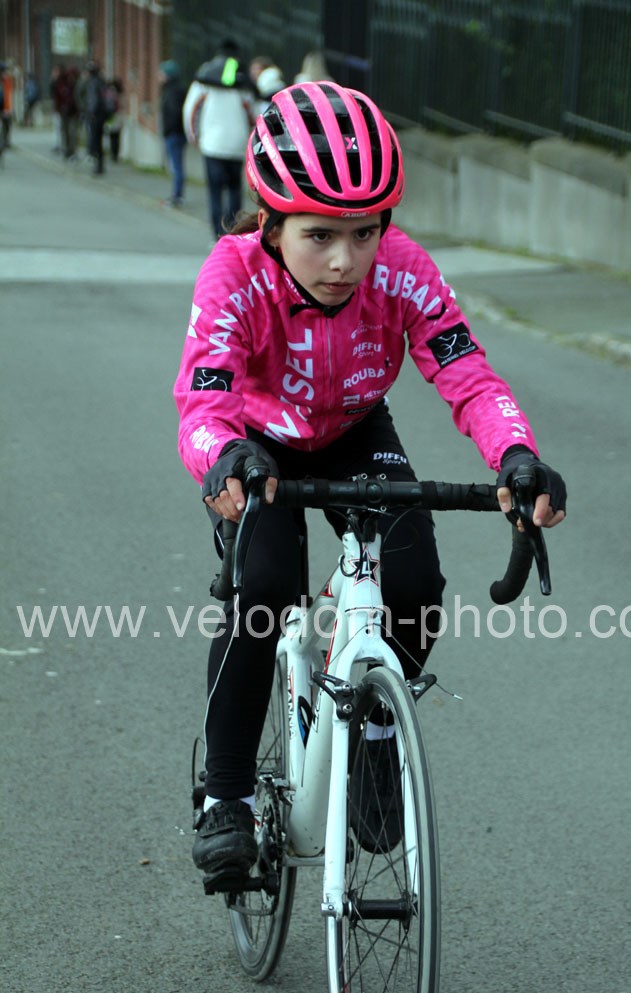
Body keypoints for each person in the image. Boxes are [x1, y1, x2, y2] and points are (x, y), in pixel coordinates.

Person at [174, 82, 566, 890]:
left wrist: (516, 455)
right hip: (259, 444)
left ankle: (376, 728)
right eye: (318, 235)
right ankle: (227, 794)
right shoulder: (233, 272)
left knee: (416, 583)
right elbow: (203, 404)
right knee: (263, 587)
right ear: (271, 224)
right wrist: (224, 458)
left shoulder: (401, 268)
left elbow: (467, 374)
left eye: (363, 233)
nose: (344, 260)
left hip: (355, 429)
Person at [183, 38, 256, 239]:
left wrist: (193, 136)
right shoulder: (242, 79)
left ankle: (217, 234)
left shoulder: (205, 76)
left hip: (212, 144)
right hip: (237, 145)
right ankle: (234, 233)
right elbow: (253, 113)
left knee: (215, 191)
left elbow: (190, 109)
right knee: (234, 190)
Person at [158, 60, 187, 208]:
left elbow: (175, 113)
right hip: (175, 133)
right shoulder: (172, 89)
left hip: (174, 133)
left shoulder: (172, 91)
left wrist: (169, 129)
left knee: (176, 166)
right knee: (175, 165)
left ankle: (177, 196)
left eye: (162, 73)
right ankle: (177, 194)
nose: (159, 76)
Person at [104, 77, 124, 163]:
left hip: (111, 116)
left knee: (112, 135)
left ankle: (113, 153)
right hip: (117, 115)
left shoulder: (109, 93)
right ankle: (115, 154)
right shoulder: (119, 93)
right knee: (116, 135)